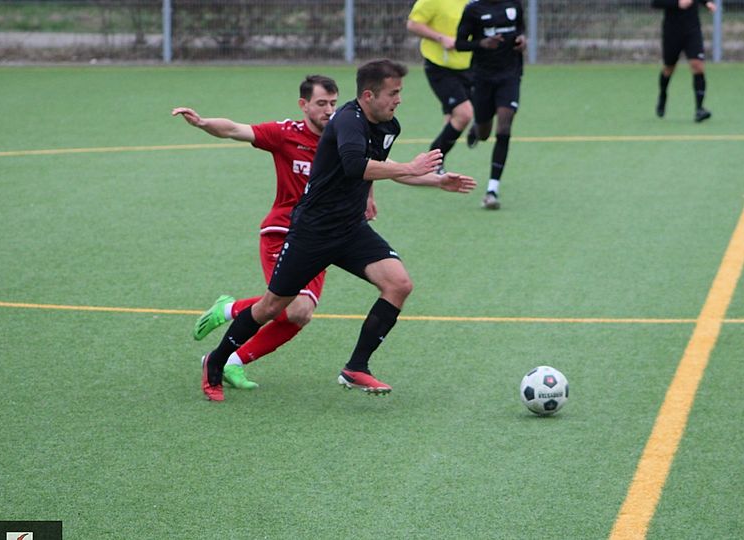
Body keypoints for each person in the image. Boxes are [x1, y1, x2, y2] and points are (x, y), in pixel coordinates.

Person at [199, 59, 477, 402]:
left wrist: (436, 180)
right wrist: (411, 166)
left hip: (350, 229)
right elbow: (355, 165)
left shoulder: (388, 126)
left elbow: (384, 168)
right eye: (393, 93)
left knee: (399, 284)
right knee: (272, 307)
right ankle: (216, 361)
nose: (398, 99)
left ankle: (356, 367)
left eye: (399, 92)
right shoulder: (347, 120)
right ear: (369, 95)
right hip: (313, 231)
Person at [172, 75, 348, 391]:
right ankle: (227, 310)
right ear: (304, 105)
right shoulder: (285, 134)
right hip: (283, 231)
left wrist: (419, 175)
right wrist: (202, 123)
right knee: (292, 307)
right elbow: (235, 129)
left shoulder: (342, 136)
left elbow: (368, 165)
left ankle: (233, 362)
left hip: (321, 236)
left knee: (300, 314)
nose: (329, 110)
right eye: (321, 103)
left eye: (333, 103)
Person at [455, 0, 526, 210]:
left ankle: (492, 190)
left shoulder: (514, 4)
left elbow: (520, 28)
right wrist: (482, 44)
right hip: (482, 78)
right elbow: (459, 44)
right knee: (484, 133)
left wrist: (522, 39)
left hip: (510, 75)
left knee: (504, 127)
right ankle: (477, 128)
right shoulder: (473, 9)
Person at [406, 0, 474, 175]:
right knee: (464, 114)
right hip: (440, 67)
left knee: (453, 119)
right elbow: (413, 24)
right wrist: (440, 38)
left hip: (470, 66)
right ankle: (433, 160)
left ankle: (435, 165)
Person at [652, 0, 716, 122]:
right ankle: (663, 94)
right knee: (669, 68)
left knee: (697, 65)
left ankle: (699, 109)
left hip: (692, 30)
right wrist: (677, 3)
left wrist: (707, 3)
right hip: (672, 31)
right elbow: (655, 3)